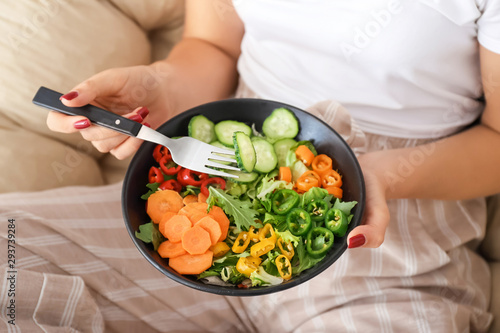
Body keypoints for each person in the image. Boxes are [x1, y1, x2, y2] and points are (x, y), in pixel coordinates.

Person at [39, 0, 499, 331]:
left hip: (398, 216)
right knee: (13, 248)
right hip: (222, 168)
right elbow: (211, 44)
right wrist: (160, 86)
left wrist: (374, 174)